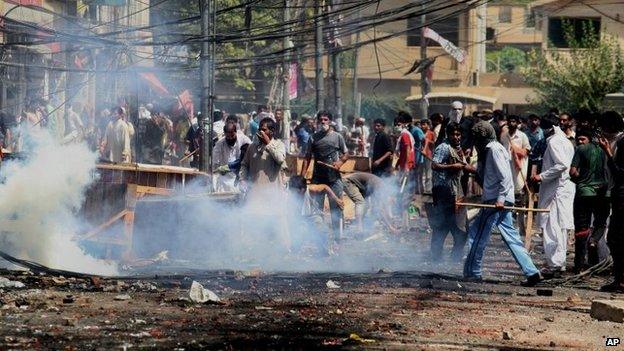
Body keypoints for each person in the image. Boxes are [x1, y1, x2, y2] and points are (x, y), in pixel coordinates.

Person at [464, 121, 540, 286]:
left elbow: (505, 177)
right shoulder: (493, 149)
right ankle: (532, 271)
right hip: (501, 198)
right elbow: (488, 175)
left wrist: (499, 200)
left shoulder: (493, 149)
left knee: (477, 234)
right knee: (511, 237)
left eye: (477, 139)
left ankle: (473, 272)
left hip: (497, 199)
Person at [531, 115, 575, 278]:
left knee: (552, 226)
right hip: (561, 189)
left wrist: (541, 176)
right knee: (559, 227)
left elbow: (561, 165)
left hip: (555, 189)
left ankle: (555, 264)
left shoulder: (555, 141)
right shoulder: (563, 139)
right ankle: (558, 263)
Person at [301, 111, 349, 240]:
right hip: (318, 179)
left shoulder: (337, 137)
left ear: (330, 121)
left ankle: (339, 238)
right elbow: (307, 158)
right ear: (317, 122)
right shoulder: (313, 138)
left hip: (334, 179)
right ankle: (320, 238)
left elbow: (346, 154)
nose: (323, 122)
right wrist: (302, 176)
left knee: (337, 209)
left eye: (326, 119)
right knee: (317, 211)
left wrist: (339, 163)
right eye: (321, 119)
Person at [430, 122, 473, 262]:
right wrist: (451, 166)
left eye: (458, 134)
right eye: (453, 134)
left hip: (456, 192)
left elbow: (464, 166)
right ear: (448, 135)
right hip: (443, 192)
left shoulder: (458, 149)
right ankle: (435, 258)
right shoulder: (443, 147)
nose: (456, 137)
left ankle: (454, 259)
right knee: (441, 227)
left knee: (461, 229)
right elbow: (434, 165)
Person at [569, 128, 608, 272]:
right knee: (601, 223)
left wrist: (580, 181)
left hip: (583, 193)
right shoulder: (608, 150)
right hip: (603, 194)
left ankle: (579, 267)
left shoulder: (581, 149)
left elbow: (572, 172)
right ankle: (594, 240)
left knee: (581, 229)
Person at [598, 111, 624, 291]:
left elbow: (620, 174)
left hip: (622, 196)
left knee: (616, 239)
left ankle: (620, 280)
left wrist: (607, 152)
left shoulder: (622, 144)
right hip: (619, 195)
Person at [288, 175, 343, 255]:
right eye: (292, 190)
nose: (293, 193)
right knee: (299, 232)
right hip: (300, 217)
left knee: (321, 230)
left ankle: (325, 251)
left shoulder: (311, 190)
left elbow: (325, 187)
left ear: (302, 190)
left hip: (313, 215)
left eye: (295, 191)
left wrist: (337, 200)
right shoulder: (290, 194)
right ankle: (294, 252)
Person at [213, 122, 252, 192]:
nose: (230, 138)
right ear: (224, 134)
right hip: (225, 179)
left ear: (236, 132)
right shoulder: (219, 144)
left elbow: (244, 160)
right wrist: (217, 169)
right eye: (228, 137)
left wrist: (229, 167)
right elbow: (215, 162)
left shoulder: (245, 140)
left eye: (232, 136)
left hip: (241, 176)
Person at [420, 119, 435, 193]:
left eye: (424, 124)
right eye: (421, 124)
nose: (422, 126)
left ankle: (428, 190)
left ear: (428, 125)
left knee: (428, 173)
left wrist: (428, 141)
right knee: (420, 172)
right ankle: (421, 189)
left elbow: (434, 143)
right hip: (420, 155)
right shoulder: (420, 133)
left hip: (428, 155)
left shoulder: (431, 133)